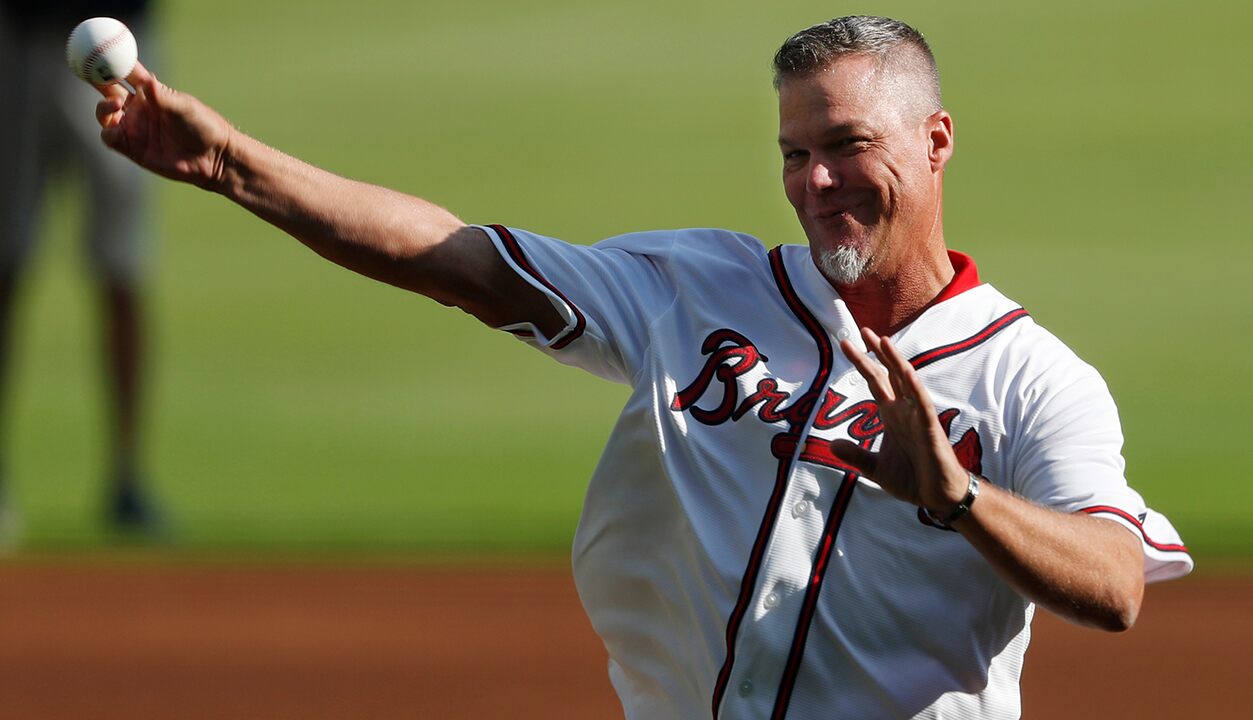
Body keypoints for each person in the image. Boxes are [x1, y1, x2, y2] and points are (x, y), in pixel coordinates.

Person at [91, 15, 1192, 719]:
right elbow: (456, 258)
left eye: (847, 145)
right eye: (794, 153)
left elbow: (1111, 585)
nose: (814, 181)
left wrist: (956, 501)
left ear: (934, 140)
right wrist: (230, 165)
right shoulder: (697, 286)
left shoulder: (1030, 380)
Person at [0, 0, 160, 538]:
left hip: (124, 42)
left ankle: (127, 481)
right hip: (22, 44)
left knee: (122, 266)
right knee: (6, 264)